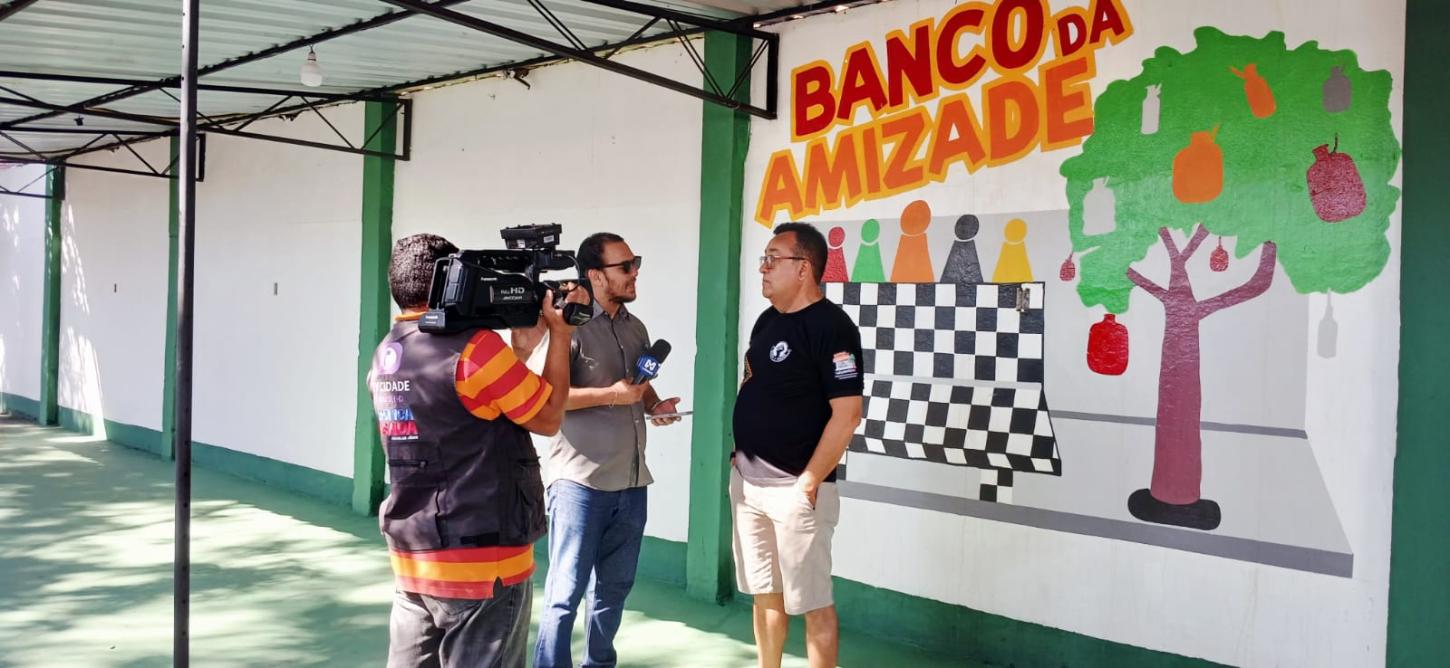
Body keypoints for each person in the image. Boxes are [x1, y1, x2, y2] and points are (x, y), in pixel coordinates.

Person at [368, 233, 585, 668]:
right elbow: (547, 418)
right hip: (484, 564)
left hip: (415, 558)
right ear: (452, 282)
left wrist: (520, 352)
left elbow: (474, 406)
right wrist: (560, 335)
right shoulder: (477, 348)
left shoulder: (389, 352)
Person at [523, 232, 683, 668]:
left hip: (631, 482)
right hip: (579, 482)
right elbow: (542, 395)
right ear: (595, 274)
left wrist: (654, 405)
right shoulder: (568, 325)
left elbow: (635, 387)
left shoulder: (636, 327)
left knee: (614, 589)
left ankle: (599, 662)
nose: (635, 274)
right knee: (565, 592)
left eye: (635, 264)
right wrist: (610, 395)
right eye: (625, 266)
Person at [731, 222, 864, 668]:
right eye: (763, 259)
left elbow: (847, 414)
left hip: (796, 491)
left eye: (773, 259)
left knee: (812, 603)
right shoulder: (767, 320)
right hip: (749, 486)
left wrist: (809, 481)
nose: (763, 269)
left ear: (804, 268)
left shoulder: (833, 328)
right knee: (765, 596)